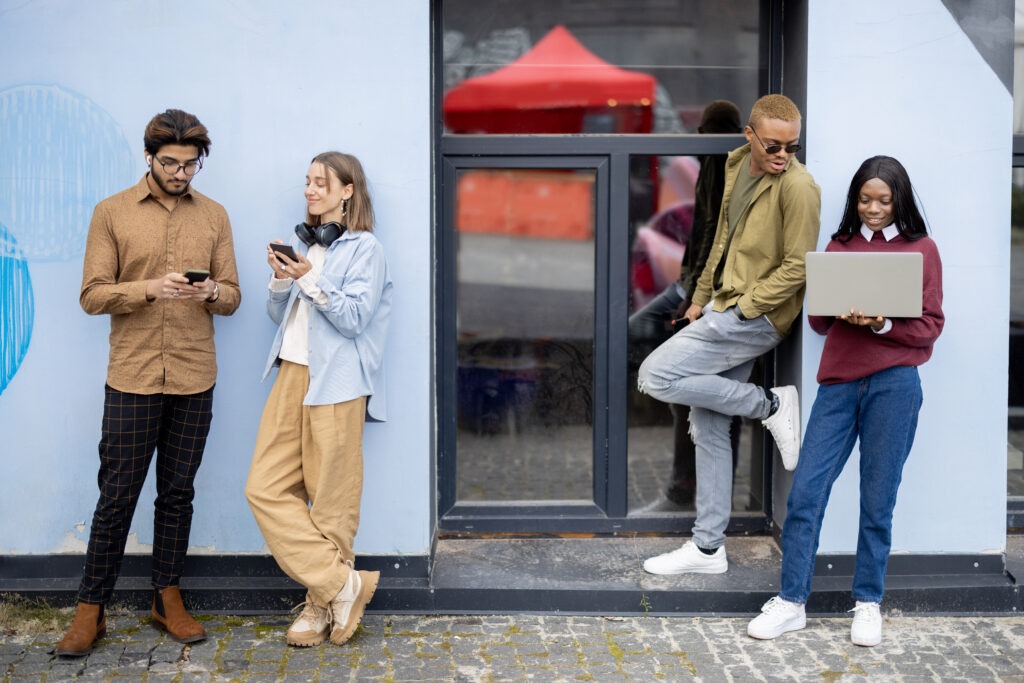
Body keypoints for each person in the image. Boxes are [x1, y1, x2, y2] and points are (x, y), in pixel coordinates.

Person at [59, 109, 241, 656]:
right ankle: (91, 610)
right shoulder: (111, 212)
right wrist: (148, 289)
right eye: (171, 163)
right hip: (133, 376)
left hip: (193, 375)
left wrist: (209, 294)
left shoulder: (214, 216)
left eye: (191, 164)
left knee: (177, 495)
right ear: (149, 157)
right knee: (116, 496)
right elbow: (92, 295)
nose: (181, 173)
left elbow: (233, 296)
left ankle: (167, 599)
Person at [747, 156, 944, 647]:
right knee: (806, 493)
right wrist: (838, 306)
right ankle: (792, 602)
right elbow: (817, 322)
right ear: (854, 199)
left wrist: (880, 324)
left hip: (894, 387)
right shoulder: (838, 246)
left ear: (899, 197)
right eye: (864, 199)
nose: (873, 208)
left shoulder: (922, 250)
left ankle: (868, 603)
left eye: (883, 199)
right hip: (838, 386)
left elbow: (930, 327)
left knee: (878, 500)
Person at [637, 94, 821, 574]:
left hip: (755, 317)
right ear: (750, 136)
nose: (782, 156)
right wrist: (699, 299)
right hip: (719, 305)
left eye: (792, 147)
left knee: (655, 375)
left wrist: (744, 308)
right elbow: (721, 239)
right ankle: (708, 549)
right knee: (709, 422)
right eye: (774, 145)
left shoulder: (799, 188)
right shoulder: (737, 165)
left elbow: (799, 266)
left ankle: (772, 405)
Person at [245, 151, 393, 648]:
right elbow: (277, 315)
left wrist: (309, 276)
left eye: (321, 182)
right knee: (264, 488)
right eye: (307, 182)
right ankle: (342, 585)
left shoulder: (365, 249)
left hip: (337, 382)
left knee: (331, 502)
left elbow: (352, 318)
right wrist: (281, 278)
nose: (310, 190)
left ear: (347, 190)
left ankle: (318, 605)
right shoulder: (306, 245)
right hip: (292, 372)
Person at [630, 99, 743, 513]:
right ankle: (692, 491)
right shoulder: (717, 165)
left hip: (709, 296)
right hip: (696, 288)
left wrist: (696, 298)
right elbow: (705, 235)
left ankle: (690, 492)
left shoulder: (725, 166)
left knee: (699, 398)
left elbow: (716, 235)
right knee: (697, 398)